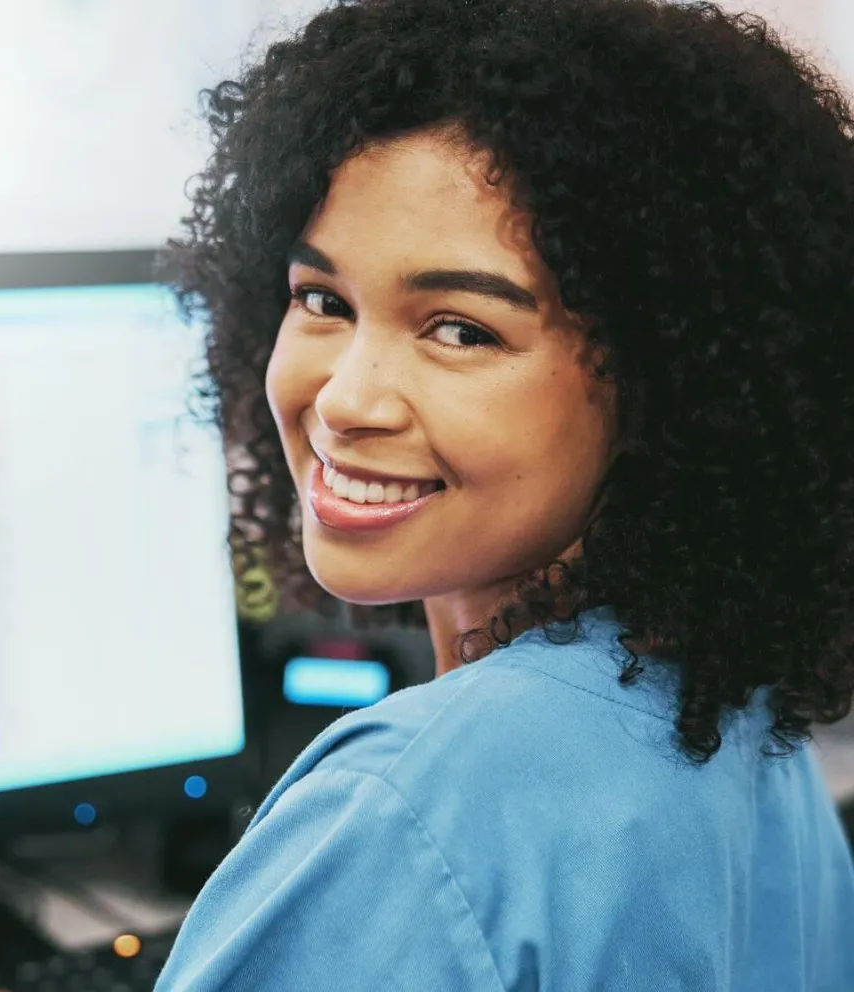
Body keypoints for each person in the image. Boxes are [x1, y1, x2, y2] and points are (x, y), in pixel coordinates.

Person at [153, 0, 854, 988]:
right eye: (323, 300)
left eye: (461, 329)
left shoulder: (404, 812)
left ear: (669, 385)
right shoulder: (739, 725)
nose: (345, 398)